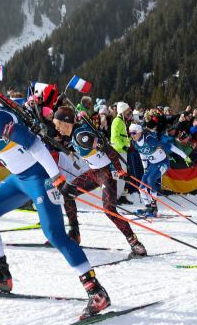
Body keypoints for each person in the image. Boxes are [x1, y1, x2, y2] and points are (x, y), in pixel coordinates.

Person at [0, 78, 110, 319]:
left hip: (39, 177)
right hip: (19, 178)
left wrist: (55, 177)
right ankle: (1, 276)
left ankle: (96, 292)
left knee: (55, 234)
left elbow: (35, 144)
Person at [52, 106, 147, 256]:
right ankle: (74, 233)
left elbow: (109, 150)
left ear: (66, 122)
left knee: (109, 210)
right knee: (67, 192)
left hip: (105, 173)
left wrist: (119, 170)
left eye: (58, 125)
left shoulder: (81, 136)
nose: (57, 128)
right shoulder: (75, 133)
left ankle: (135, 243)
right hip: (93, 172)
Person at [128, 122, 190, 218]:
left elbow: (170, 146)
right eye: (130, 133)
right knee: (141, 187)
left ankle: (154, 208)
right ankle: (148, 207)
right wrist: (145, 168)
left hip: (163, 163)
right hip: (152, 165)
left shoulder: (150, 140)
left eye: (133, 133)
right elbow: (142, 154)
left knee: (151, 180)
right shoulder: (134, 143)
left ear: (139, 132)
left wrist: (185, 157)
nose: (132, 135)